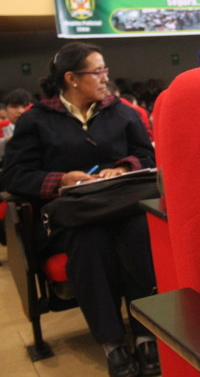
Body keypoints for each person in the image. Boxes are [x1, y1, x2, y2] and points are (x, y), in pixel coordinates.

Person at [1, 42, 159, 377]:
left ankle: (147, 334)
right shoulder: (37, 120)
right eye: (97, 71)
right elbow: (14, 173)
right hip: (72, 217)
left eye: (105, 70)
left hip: (121, 205)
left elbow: (147, 156)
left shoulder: (122, 112)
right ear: (71, 78)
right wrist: (60, 180)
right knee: (89, 243)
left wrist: (123, 168)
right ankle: (113, 343)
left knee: (139, 234)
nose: (106, 78)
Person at [0, 88, 33, 165]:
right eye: (14, 107)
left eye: (25, 106)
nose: (20, 111)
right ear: (6, 110)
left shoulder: (41, 127)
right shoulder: (3, 127)